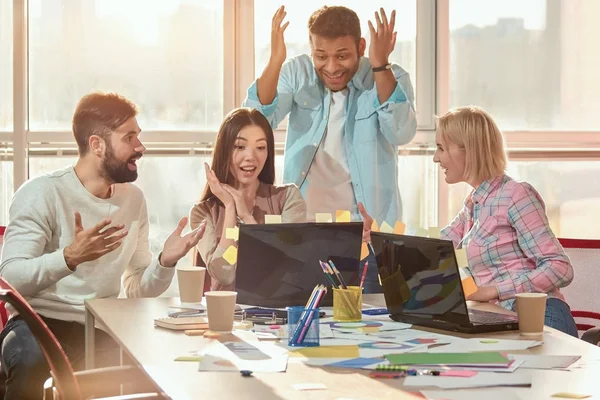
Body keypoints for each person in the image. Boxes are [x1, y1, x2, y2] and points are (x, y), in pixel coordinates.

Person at [0, 92, 205, 399]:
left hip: (98, 327)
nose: (141, 148)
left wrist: (165, 261)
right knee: (32, 364)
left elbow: (135, 288)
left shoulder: (133, 200)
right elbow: (11, 277)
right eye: (130, 137)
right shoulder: (41, 193)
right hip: (36, 323)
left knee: (153, 372)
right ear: (97, 145)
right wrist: (69, 257)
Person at [243, 5, 416, 292]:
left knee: (370, 327)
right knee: (300, 321)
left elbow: (401, 132)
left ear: (361, 46)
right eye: (321, 56)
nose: (332, 67)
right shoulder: (297, 73)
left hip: (368, 239)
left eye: (342, 55)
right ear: (311, 49)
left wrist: (380, 65)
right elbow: (256, 119)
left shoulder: (388, 77)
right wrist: (275, 60)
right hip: (302, 234)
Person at [433, 106, 577, 337]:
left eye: (441, 148)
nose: (435, 158)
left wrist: (493, 290)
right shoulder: (474, 204)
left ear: (468, 149)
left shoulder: (515, 194)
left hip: (541, 317)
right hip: (501, 319)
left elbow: (560, 268)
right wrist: (378, 239)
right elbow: (433, 247)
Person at [190, 107, 306, 291]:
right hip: (227, 315)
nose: (251, 157)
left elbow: (283, 266)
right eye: (240, 147)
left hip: (276, 314)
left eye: (260, 147)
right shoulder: (203, 212)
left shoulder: (288, 198)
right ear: (224, 150)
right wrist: (230, 208)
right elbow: (224, 273)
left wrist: (247, 217)